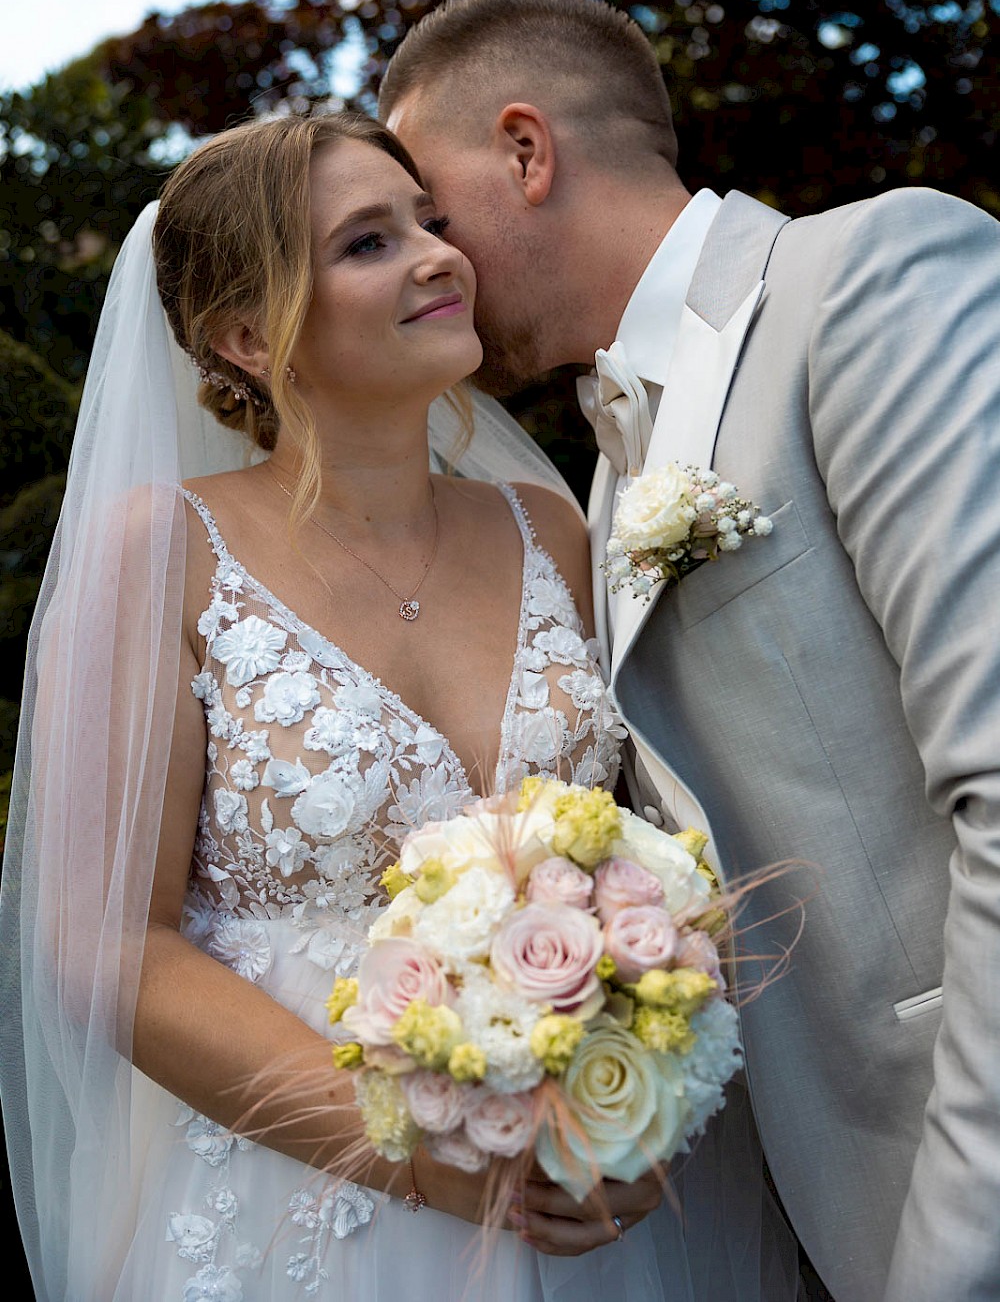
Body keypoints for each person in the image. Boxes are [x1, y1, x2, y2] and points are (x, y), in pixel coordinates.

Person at [0, 111, 798, 1302]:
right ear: (245, 337)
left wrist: (634, 1097)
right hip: (309, 1200)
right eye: (367, 243)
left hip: (587, 1194)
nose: (439, 253)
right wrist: (425, 1161)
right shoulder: (164, 552)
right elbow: (106, 947)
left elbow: (640, 845)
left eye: (428, 221)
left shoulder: (553, 530)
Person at [377, 0, 1000, 1302]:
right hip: (813, 1212)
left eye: (434, 212)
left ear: (527, 152)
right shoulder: (605, 475)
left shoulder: (868, 284)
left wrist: (954, 1259)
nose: (431, 263)